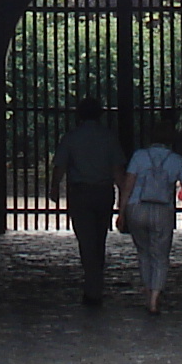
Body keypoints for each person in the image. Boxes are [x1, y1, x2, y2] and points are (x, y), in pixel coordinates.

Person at [117, 116, 182, 315]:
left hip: (137, 208)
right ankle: (154, 299)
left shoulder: (139, 156)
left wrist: (121, 211)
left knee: (144, 253)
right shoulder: (176, 160)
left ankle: (147, 291)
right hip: (163, 209)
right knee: (160, 256)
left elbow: (128, 184)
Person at [56, 97, 124, 307]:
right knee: (99, 237)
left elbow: (60, 165)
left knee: (86, 240)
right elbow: (118, 169)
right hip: (104, 192)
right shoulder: (109, 138)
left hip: (80, 193)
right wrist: (124, 197)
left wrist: (53, 187)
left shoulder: (71, 137)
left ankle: (92, 285)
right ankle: (96, 280)